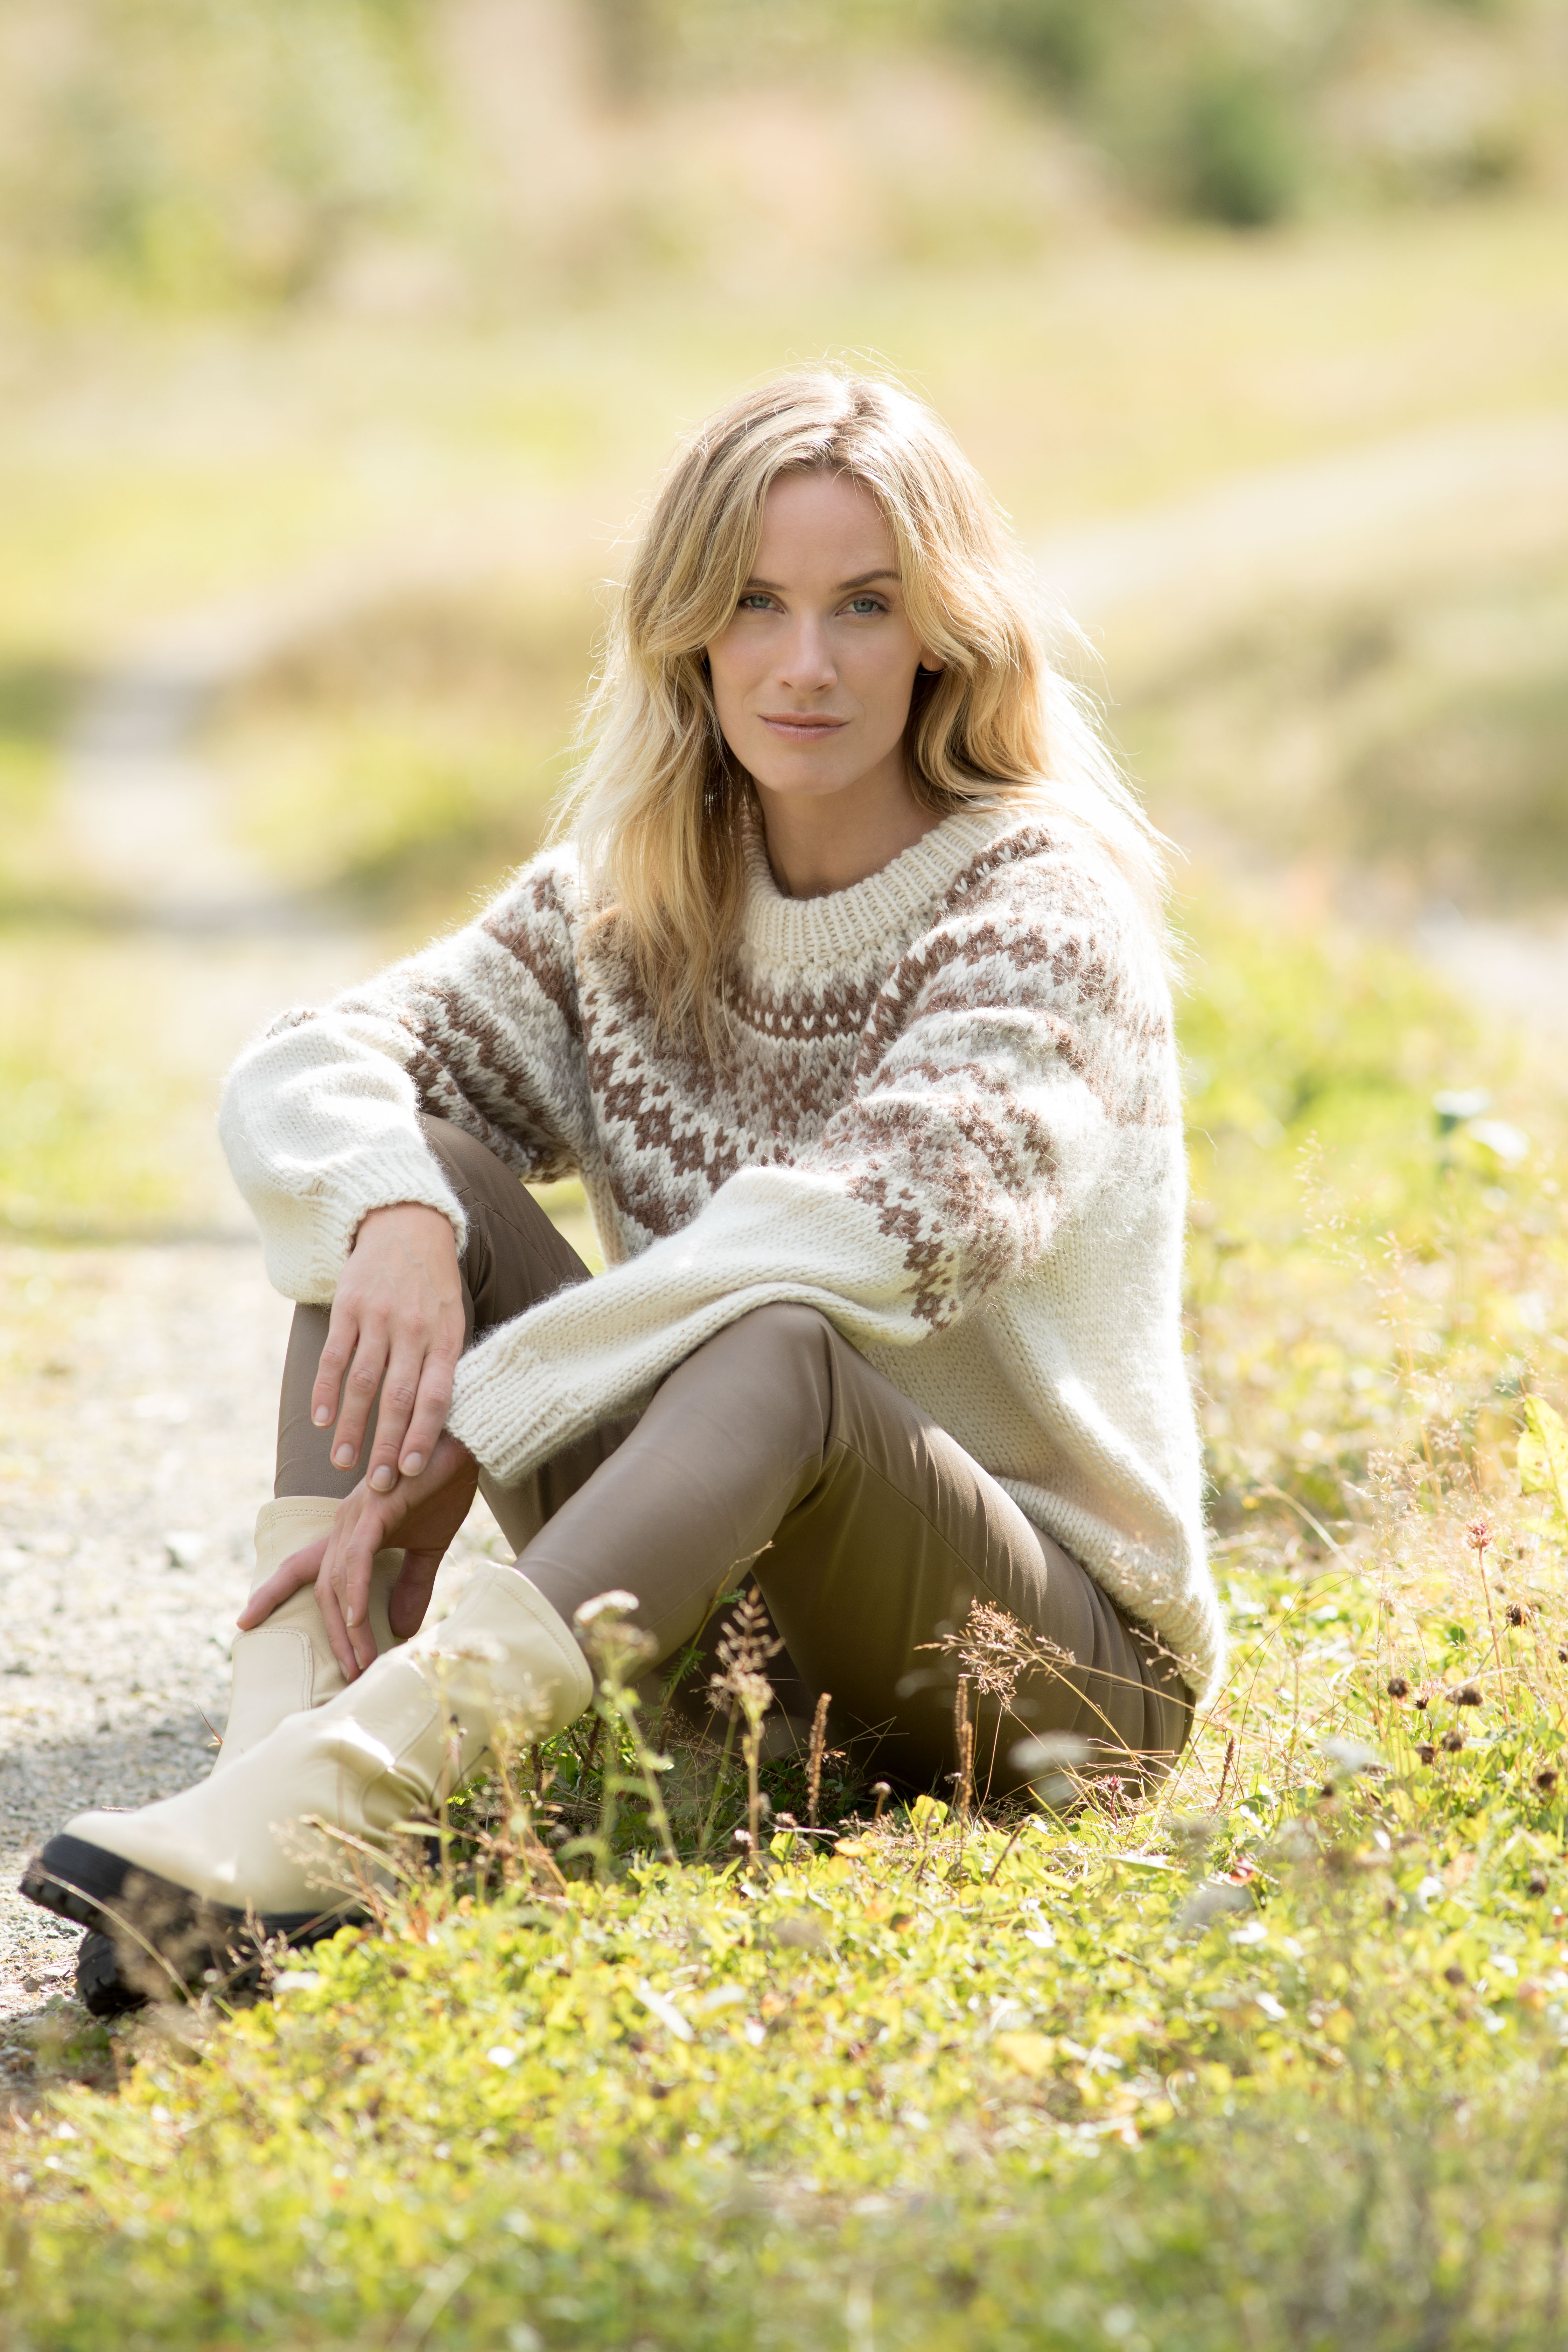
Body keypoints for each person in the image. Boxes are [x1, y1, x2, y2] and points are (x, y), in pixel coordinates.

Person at [23, 369, 1221, 1991]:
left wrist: (496, 1409)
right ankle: (266, 1784)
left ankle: (357, 1786)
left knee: (779, 1344)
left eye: (865, 606)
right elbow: (312, 1065)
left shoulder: (1038, 908)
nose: (805, 663)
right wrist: (394, 1210)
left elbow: (870, 1232)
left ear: (944, 634)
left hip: (1042, 1676)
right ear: (688, 632)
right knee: (415, 1175)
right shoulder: (635, 899)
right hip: (728, 1633)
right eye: (756, 603)